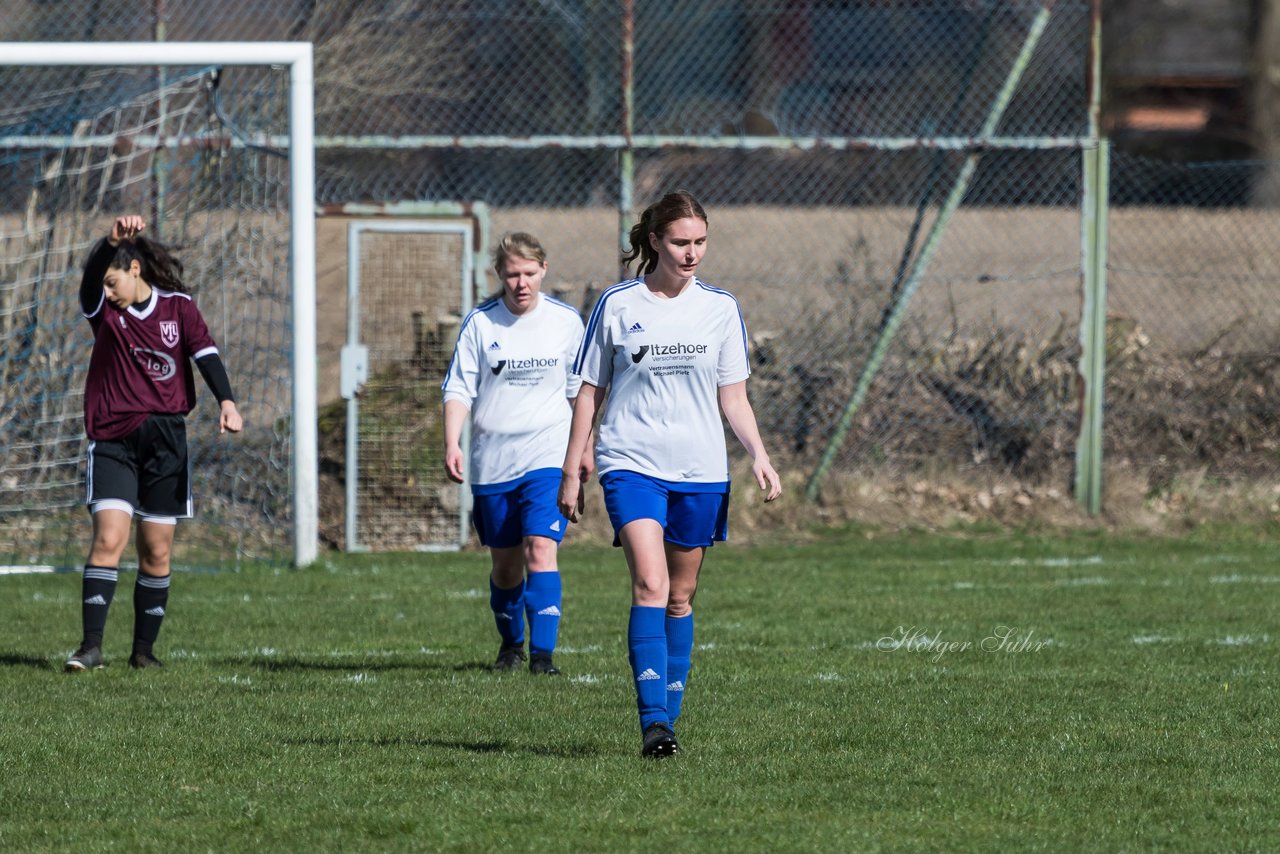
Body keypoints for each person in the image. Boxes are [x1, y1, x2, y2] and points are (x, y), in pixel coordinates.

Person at [557, 190, 782, 758]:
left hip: (701, 470)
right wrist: (572, 466)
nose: (692, 254)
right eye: (681, 242)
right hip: (631, 462)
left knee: (680, 597)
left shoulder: (721, 308)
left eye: (701, 242)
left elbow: (733, 396)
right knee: (651, 584)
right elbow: (590, 391)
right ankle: (653, 722)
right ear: (654, 241)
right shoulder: (617, 304)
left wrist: (758, 452)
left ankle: (668, 726)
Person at [65, 214, 243, 672]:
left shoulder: (179, 308)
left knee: (157, 550)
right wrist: (108, 243)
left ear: (135, 271)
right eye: (103, 284)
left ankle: (143, 653)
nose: (106, 291)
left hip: (166, 442)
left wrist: (226, 400)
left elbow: (205, 352)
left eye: (113, 281)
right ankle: (90, 648)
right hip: (113, 440)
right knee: (110, 537)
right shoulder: (104, 313)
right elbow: (89, 278)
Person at [442, 232, 590, 675]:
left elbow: (580, 393)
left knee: (542, 549)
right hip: (493, 461)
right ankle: (512, 646)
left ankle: (543, 658)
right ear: (499, 275)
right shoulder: (481, 324)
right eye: (512, 274)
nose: (521, 282)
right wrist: (452, 441)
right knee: (505, 567)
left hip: (548, 453)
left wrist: (583, 451)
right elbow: (458, 388)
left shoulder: (566, 322)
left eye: (529, 273)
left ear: (543, 270)